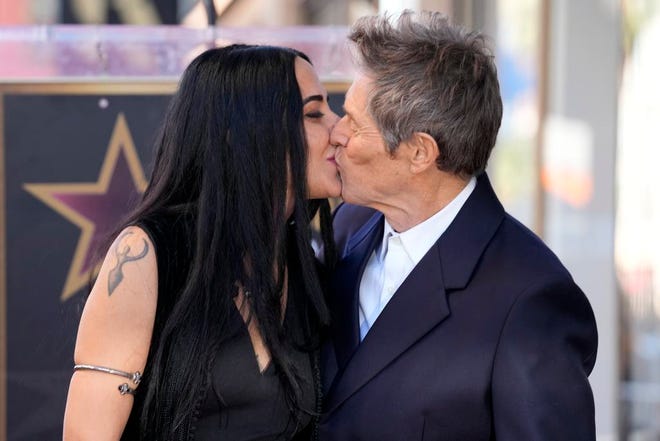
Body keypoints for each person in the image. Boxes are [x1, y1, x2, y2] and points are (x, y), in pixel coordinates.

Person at [320, 10, 598, 441]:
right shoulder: (347, 226)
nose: (334, 133)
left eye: (354, 123)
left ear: (419, 153)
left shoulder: (530, 299)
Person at [63, 44, 341, 440]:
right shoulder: (147, 254)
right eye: (314, 113)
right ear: (244, 133)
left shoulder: (308, 271)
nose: (341, 128)